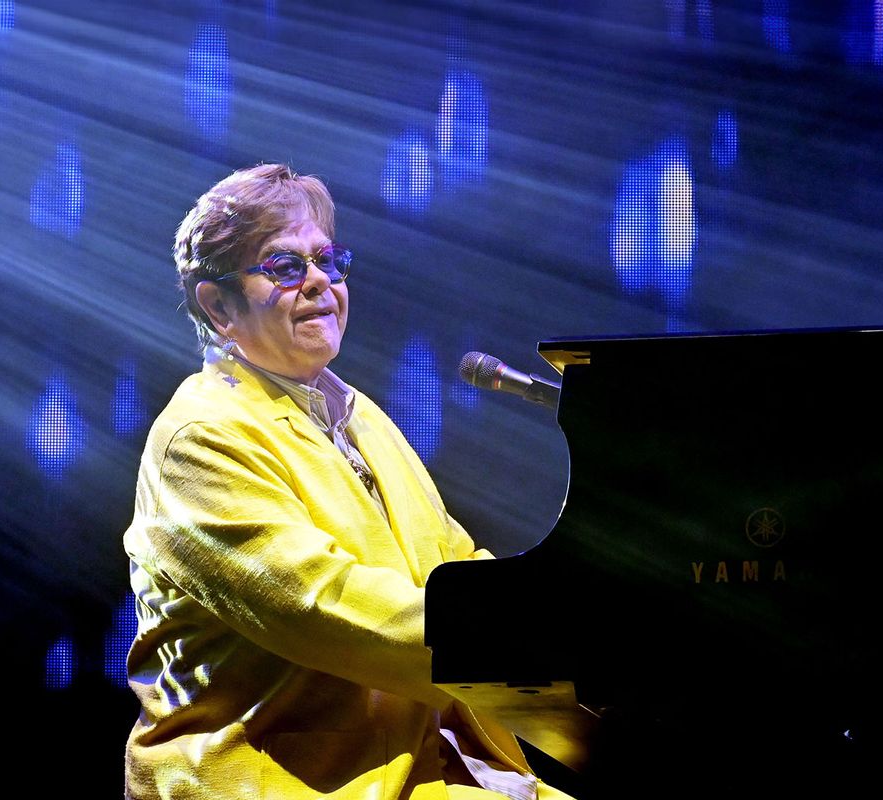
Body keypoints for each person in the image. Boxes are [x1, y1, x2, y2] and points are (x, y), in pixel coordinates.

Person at [123, 163, 574, 800]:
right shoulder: (200, 439)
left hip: (433, 766)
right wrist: (547, 641)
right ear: (219, 305)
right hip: (292, 783)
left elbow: (454, 564)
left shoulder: (358, 414)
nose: (318, 282)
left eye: (327, 261)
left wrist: (575, 614)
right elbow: (325, 606)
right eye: (283, 267)